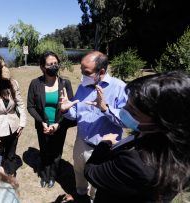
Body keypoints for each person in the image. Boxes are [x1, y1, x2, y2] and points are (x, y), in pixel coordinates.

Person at [84, 71, 190, 203]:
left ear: (162, 122)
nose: (123, 110)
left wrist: (104, 144)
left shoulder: (137, 164)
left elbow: (92, 172)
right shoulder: (171, 143)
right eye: (126, 104)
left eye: (133, 111)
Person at [59, 51, 127, 201]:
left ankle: (93, 198)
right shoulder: (83, 86)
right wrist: (65, 109)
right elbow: (76, 112)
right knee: (79, 171)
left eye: (86, 72)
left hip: (104, 148)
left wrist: (105, 108)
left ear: (101, 72)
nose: (83, 74)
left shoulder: (120, 88)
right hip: (81, 143)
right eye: (81, 71)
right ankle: (81, 193)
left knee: (98, 182)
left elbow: (126, 121)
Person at [27, 51, 74, 188]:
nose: (54, 66)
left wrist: (58, 125)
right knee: (44, 151)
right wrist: (41, 122)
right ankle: (44, 174)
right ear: (42, 67)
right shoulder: (35, 83)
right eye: (50, 64)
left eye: (55, 63)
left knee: (56, 152)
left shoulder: (65, 83)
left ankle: (53, 175)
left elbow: (70, 109)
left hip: (60, 125)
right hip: (43, 126)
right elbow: (31, 106)